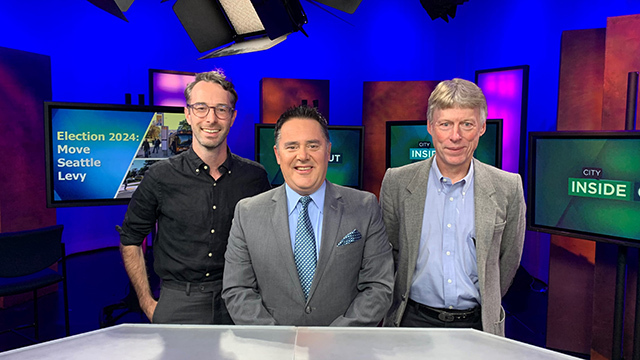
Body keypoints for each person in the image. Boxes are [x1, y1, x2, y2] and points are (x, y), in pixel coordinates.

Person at [118, 70, 271, 324]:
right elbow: (130, 240)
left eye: (221, 109)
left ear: (232, 117)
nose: (211, 118)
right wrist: (146, 302)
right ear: (188, 114)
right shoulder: (160, 176)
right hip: (179, 302)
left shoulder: (254, 177)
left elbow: (270, 243)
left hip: (240, 301)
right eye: (201, 108)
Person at [222, 105, 394, 326]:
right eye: (291, 146)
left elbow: (379, 286)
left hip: (343, 348)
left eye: (313, 146)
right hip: (272, 349)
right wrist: (280, 340)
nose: (302, 156)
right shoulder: (247, 213)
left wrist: (335, 338)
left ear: (328, 151)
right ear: (277, 154)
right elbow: (237, 290)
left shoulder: (365, 206)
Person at [380, 78, 525, 336]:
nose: (455, 136)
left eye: (466, 124)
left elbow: (508, 260)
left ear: (481, 127)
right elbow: (391, 253)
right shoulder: (397, 182)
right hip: (410, 321)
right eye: (445, 124)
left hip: (478, 325)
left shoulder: (508, 187)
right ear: (430, 127)